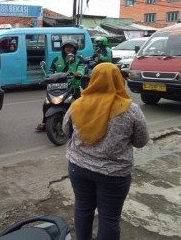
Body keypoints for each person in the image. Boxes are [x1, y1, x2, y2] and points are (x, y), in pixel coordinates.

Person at [62, 62, 149, 240]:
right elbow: (141, 141)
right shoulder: (131, 110)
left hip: (79, 168)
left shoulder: (78, 104)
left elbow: (65, 130)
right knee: (109, 218)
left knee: (83, 209)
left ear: (93, 80)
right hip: (114, 174)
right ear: (119, 80)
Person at [35, 41, 85, 132]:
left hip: (73, 86)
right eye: (66, 47)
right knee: (46, 103)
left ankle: (82, 123)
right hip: (57, 86)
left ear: (75, 49)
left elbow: (81, 70)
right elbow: (51, 71)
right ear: (63, 49)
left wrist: (78, 73)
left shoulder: (79, 59)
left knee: (81, 105)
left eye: (71, 47)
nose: (68, 49)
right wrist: (47, 77)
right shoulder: (57, 59)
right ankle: (45, 122)